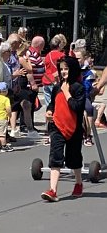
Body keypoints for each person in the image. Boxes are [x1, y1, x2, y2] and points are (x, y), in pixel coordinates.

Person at [41, 57, 85, 202]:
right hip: (57, 127)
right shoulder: (56, 87)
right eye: (61, 69)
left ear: (72, 70)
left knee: (74, 158)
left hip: (74, 128)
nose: (63, 71)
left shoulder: (79, 88)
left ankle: (78, 183)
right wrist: (49, 111)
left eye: (66, 68)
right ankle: (53, 190)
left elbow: (77, 107)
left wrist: (67, 94)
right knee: (56, 155)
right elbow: (52, 104)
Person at [42, 35, 66, 108]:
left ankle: (49, 118)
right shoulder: (62, 55)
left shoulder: (47, 55)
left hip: (46, 80)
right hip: (56, 81)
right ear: (59, 45)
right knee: (57, 104)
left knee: (48, 105)